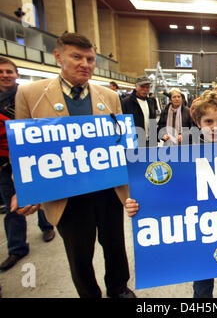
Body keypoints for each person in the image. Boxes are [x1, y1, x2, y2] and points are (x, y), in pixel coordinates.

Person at [12, 33, 135, 298]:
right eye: (76, 57)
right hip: (66, 192)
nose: (85, 64)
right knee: (79, 252)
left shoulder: (109, 96)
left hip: (108, 188)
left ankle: (119, 288)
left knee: (115, 245)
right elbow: (22, 149)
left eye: (90, 59)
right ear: (58, 57)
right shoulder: (30, 93)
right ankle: (89, 293)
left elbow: (122, 143)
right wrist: (23, 189)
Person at [126, 91, 217, 298]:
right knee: (202, 285)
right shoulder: (184, 148)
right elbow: (161, 185)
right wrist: (137, 202)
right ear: (197, 121)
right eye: (208, 121)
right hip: (199, 229)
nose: (215, 127)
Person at [0, 57, 55, 273]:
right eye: (1, 72)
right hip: (5, 164)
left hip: (34, 160)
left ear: (16, 74)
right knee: (13, 207)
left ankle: (47, 225)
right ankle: (16, 247)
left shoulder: (30, 98)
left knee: (40, 198)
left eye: (8, 71)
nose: (5, 75)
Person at [121, 76, 156, 146]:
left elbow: (152, 121)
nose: (145, 89)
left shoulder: (151, 102)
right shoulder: (126, 102)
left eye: (148, 87)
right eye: (142, 86)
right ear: (136, 86)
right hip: (134, 141)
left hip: (150, 141)